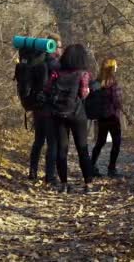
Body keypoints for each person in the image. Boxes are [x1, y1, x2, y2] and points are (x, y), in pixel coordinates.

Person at [46, 44, 96, 193]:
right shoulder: (83, 74)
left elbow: (48, 89)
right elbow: (84, 94)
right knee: (82, 149)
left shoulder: (56, 72)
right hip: (77, 114)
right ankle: (88, 184)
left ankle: (63, 184)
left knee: (62, 150)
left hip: (58, 115)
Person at [28, 33, 62, 186]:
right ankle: (50, 177)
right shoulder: (54, 64)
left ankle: (33, 172)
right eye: (59, 46)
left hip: (37, 109)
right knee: (52, 143)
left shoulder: (35, 62)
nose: (61, 49)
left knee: (38, 142)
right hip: (49, 110)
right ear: (53, 47)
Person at [90, 58, 124, 178]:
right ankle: (111, 168)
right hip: (113, 117)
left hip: (101, 118)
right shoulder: (114, 83)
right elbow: (117, 101)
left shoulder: (97, 83)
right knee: (116, 142)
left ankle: (91, 165)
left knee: (100, 142)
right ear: (112, 69)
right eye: (115, 66)